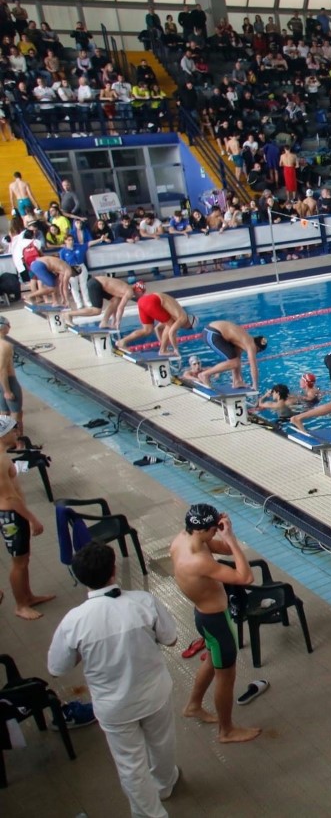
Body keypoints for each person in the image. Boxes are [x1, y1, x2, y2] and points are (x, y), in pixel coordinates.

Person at [47, 542, 181, 817]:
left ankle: (150, 814)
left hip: (114, 706)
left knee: (130, 765)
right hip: (154, 693)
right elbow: (171, 639)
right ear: (114, 570)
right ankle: (165, 785)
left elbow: (56, 668)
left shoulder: (75, 621)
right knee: (162, 743)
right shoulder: (143, 602)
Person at [169, 503, 261, 743]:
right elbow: (246, 577)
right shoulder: (198, 561)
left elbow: (225, 549)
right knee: (225, 675)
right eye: (214, 529)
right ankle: (226, 730)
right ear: (206, 529)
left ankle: (193, 705)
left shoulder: (184, 539)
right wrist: (230, 537)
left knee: (212, 659)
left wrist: (225, 537)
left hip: (204, 617)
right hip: (217, 622)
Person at [1, 414, 52, 619]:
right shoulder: (0, 461)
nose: (17, 433)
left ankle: (28, 596)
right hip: (10, 517)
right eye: (13, 430)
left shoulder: (4, 456)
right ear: (2, 434)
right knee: (18, 562)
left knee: (24, 558)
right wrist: (33, 518)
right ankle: (21, 605)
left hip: (13, 514)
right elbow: (9, 498)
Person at [194, 319, 267, 390]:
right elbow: (253, 368)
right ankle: (205, 374)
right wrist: (255, 386)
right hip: (213, 333)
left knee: (235, 361)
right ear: (258, 348)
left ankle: (236, 382)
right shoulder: (251, 345)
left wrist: (238, 379)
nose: (255, 353)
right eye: (258, 352)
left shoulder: (243, 340)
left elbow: (236, 358)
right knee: (235, 362)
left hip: (209, 331)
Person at [118, 292, 197, 356]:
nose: (185, 328)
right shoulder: (183, 317)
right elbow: (171, 332)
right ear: (190, 323)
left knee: (147, 330)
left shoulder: (174, 315)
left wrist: (163, 343)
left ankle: (122, 342)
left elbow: (157, 329)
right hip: (153, 301)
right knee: (170, 325)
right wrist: (176, 349)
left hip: (143, 300)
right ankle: (163, 350)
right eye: (189, 328)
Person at [61, 276, 145, 329]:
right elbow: (120, 308)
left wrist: (114, 320)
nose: (140, 296)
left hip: (97, 282)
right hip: (95, 284)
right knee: (96, 310)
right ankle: (68, 314)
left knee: (115, 300)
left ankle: (104, 322)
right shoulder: (129, 292)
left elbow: (116, 306)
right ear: (138, 291)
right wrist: (118, 323)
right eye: (141, 293)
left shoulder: (124, 289)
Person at [0, 316, 26, 436]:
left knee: (3, 412)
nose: (10, 327)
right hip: (8, 381)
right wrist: (7, 390)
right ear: (3, 327)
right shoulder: (5, 345)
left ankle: (5, 440)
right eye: (8, 325)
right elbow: (2, 369)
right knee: (16, 414)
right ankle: (19, 442)